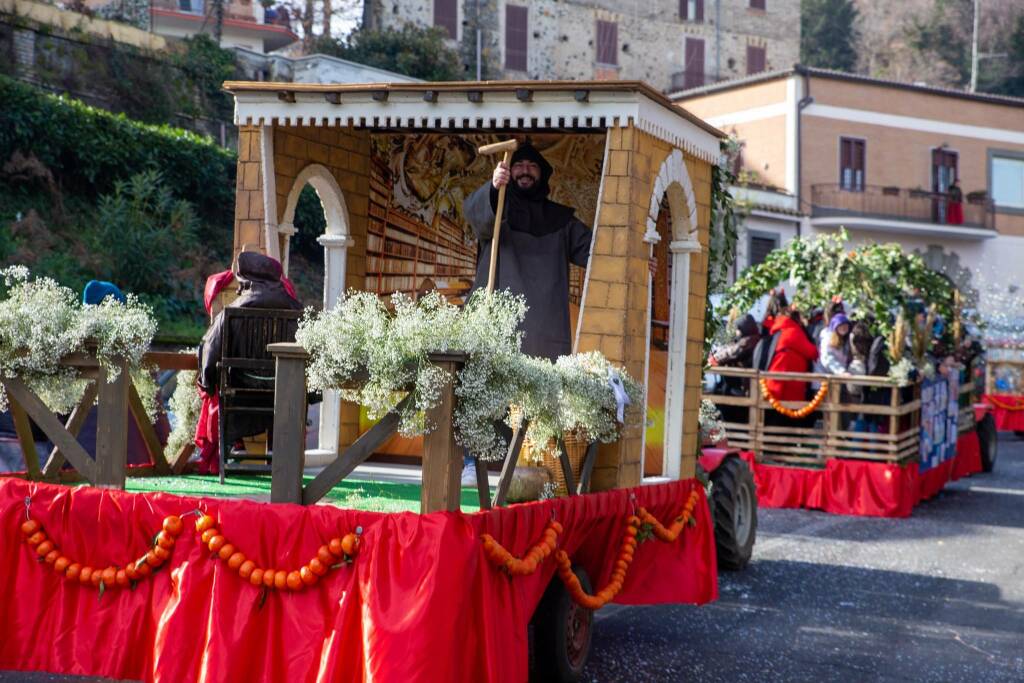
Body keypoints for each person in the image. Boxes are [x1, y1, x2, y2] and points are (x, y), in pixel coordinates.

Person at [464, 141, 593, 360]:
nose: (525, 170)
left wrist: (638, 264)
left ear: (542, 174)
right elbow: (474, 217)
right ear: (509, 171)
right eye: (519, 165)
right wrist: (494, 188)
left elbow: (598, 254)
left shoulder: (562, 221)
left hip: (543, 329)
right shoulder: (496, 207)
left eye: (532, 165)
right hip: (495, 322)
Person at [195, 252, 302, 474]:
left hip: (239, 387)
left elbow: (209, 347)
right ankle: (280, 465)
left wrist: (207, 382)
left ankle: (230, 455)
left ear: (245, 279)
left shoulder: (233, 310)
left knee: (223, 388)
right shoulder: (296, 310)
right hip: (283, 389)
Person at [764, 309, 819, 422]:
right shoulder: (793, 331)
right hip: (787, 383)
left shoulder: (779, 330)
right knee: (785, 421)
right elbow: (812, 352)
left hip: (776, 379)